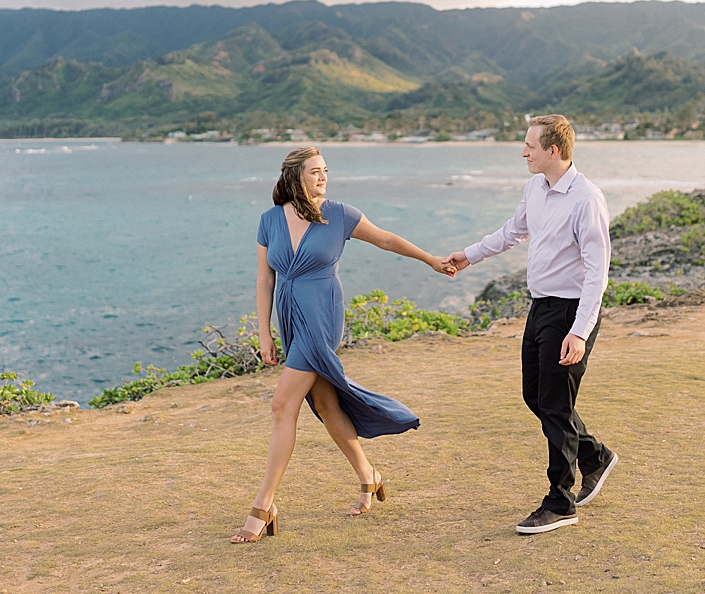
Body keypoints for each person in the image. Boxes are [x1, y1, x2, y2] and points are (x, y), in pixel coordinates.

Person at [232, 145, 458, 543]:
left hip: (322, 315)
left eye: (325, 171)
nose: (323, 177)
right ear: (294, 177)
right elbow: (264, 279)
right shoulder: (269, 220)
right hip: (289, 316)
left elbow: (386, 240)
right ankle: (368, 476)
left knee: (282, 404)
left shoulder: (340, 214)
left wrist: (432, 260)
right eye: (315, 171)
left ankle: (263, 504)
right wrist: (264, 333)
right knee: (325, 402)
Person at [448, 114, 617, 535]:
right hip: (541, 307)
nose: (524, 151)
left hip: (570, 311)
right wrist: (470, 255)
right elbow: (514, 231)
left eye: (530, 145)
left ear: (553, 150)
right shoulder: (534, 188)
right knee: (535, 397)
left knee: (556, 405)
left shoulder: (587, 198)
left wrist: (579, 331)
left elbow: (598, 272)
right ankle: (594, 455)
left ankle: (561, 501)